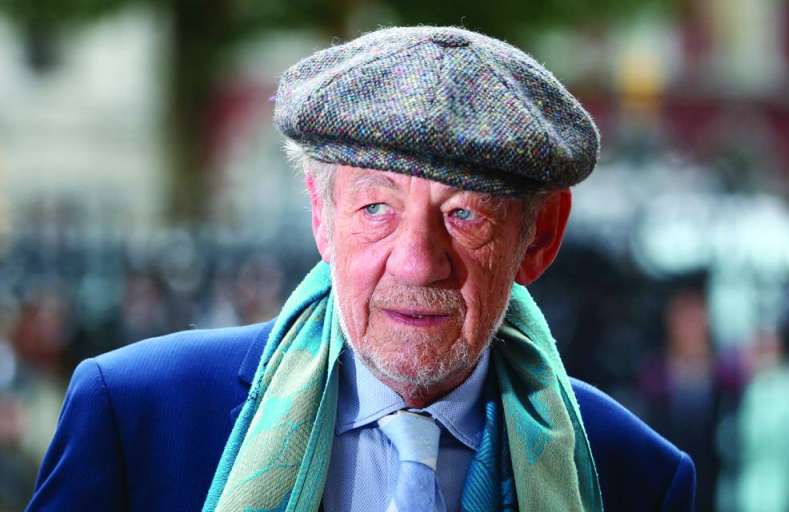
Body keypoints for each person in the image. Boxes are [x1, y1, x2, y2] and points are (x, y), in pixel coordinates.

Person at [27, 26, 695, 511]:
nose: (416, 261)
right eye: (377, 207)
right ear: (321, 215)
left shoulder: (635, 475)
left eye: (464, 214)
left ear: (539, 238)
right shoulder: (135, 415)